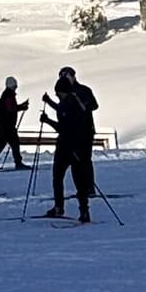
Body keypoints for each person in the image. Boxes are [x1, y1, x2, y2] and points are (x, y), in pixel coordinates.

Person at [43, 67, 99, 222]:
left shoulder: (78, 97)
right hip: (69, 144)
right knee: (65, 176)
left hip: (73, 144)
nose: (57, 95)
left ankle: (81, 204)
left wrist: (48, 121)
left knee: (73, 175)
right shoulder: (64, 104)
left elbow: (74, 125)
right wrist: (47, 118)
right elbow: (63, 125)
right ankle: (70, 208)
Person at [0, 77, 29, 171]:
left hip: (5, 124)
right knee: (13, 143)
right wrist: (21, 107)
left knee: (2, 143)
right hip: (7, 124)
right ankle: (18, 162)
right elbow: (10, 108)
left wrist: (21, 107)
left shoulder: (7, 94)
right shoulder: (9, 95)